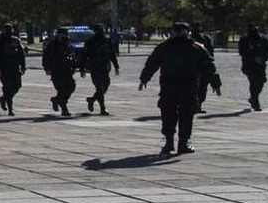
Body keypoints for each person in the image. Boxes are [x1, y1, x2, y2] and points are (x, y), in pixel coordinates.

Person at [139, 21, 217, 155]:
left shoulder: (165, 47)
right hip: (187, 86)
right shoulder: (196, 48)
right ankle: (182, 142)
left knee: (169, 113)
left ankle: (170, 142)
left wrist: (144, 79)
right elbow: (209, 66)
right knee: (185, 114)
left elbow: (151, 64)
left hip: (171, 86)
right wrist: (216, 82)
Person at [80, 23, 120, 115]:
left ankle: (92, 99)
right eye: (99, 30)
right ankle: (103, 108)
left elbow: (112, 54)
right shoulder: (90, 42)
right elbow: (84, 56)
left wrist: (116, 66)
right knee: (99, 88)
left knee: (106, 85)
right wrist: (82, 69)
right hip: (94, 67)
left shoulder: (107, 41)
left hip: (105, 67)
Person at [0, 23, 27, 115]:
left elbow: (21, 54)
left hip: (14, 67)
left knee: (17, 85)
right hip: (4, 68)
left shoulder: (16, 40)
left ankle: (4, 99)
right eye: (7, 30)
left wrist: (23, 66)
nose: (9, 32)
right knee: (7, 87)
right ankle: (10, 109)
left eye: (10, 29)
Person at [43, 26, 78, 117]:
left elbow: (73, 56)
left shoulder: (68, 44)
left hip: (67, 71)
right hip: (57, 71)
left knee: (71, 87)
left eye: (65, 35)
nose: (64, 37)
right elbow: (46, 57)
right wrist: (47, 68)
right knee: (62, 89)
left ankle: (56, 100)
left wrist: (74, 66)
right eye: (62, 35)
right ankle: (64, 109)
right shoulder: (52, 45)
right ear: (58, 35)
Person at [238, 24, 268, 111]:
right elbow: (242, 52)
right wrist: (253, 57)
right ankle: (255, 101)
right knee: (253, 82)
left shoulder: (263, 40)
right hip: (249, 65)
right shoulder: (244, 40)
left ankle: (253, 97)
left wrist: (263, 57)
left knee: (261, 82)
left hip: (260, 65)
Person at [189, 24, 221, 113]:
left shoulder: (204, 39)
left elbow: (210, 53)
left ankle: (197, 105)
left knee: (201, 87)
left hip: (200, 66)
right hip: (195, 67)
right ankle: (195, 105)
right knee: (199, 87)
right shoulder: (188, 40)